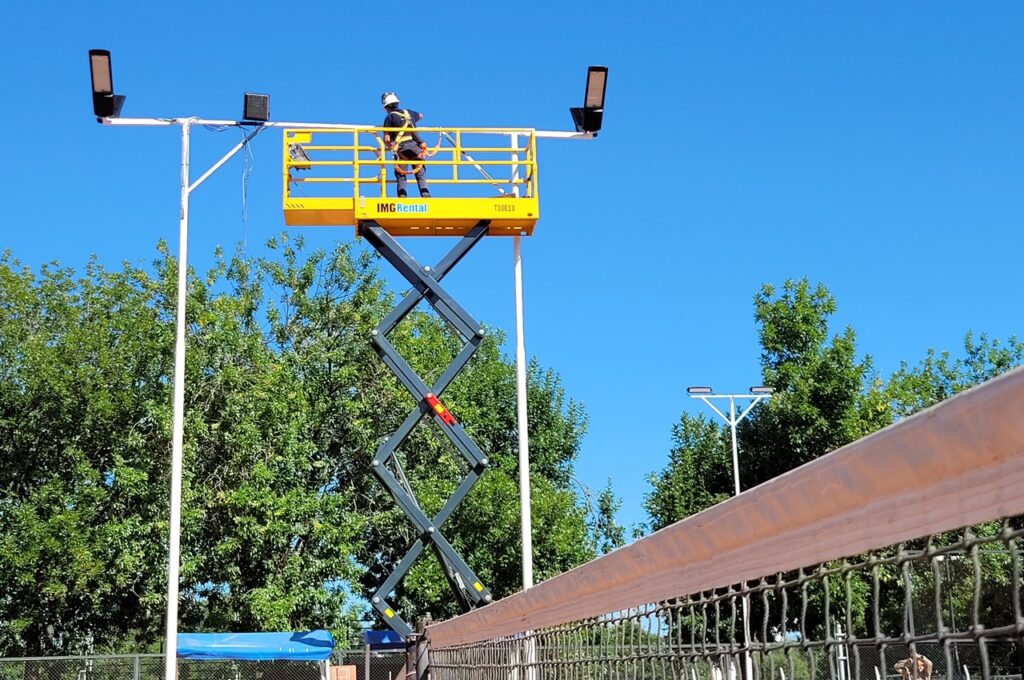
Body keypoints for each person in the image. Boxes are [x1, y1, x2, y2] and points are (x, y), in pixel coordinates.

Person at [380, 92, 430, 198]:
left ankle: (402, 197)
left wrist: (391, 148)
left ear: (386, 107)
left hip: (401, 149)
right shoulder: (408, 113)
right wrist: (413, 119)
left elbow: (387, 139)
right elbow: (421, 115)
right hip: (416, 147)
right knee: (420, 172)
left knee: (401, 174)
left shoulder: (390, 117)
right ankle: (425, 194)